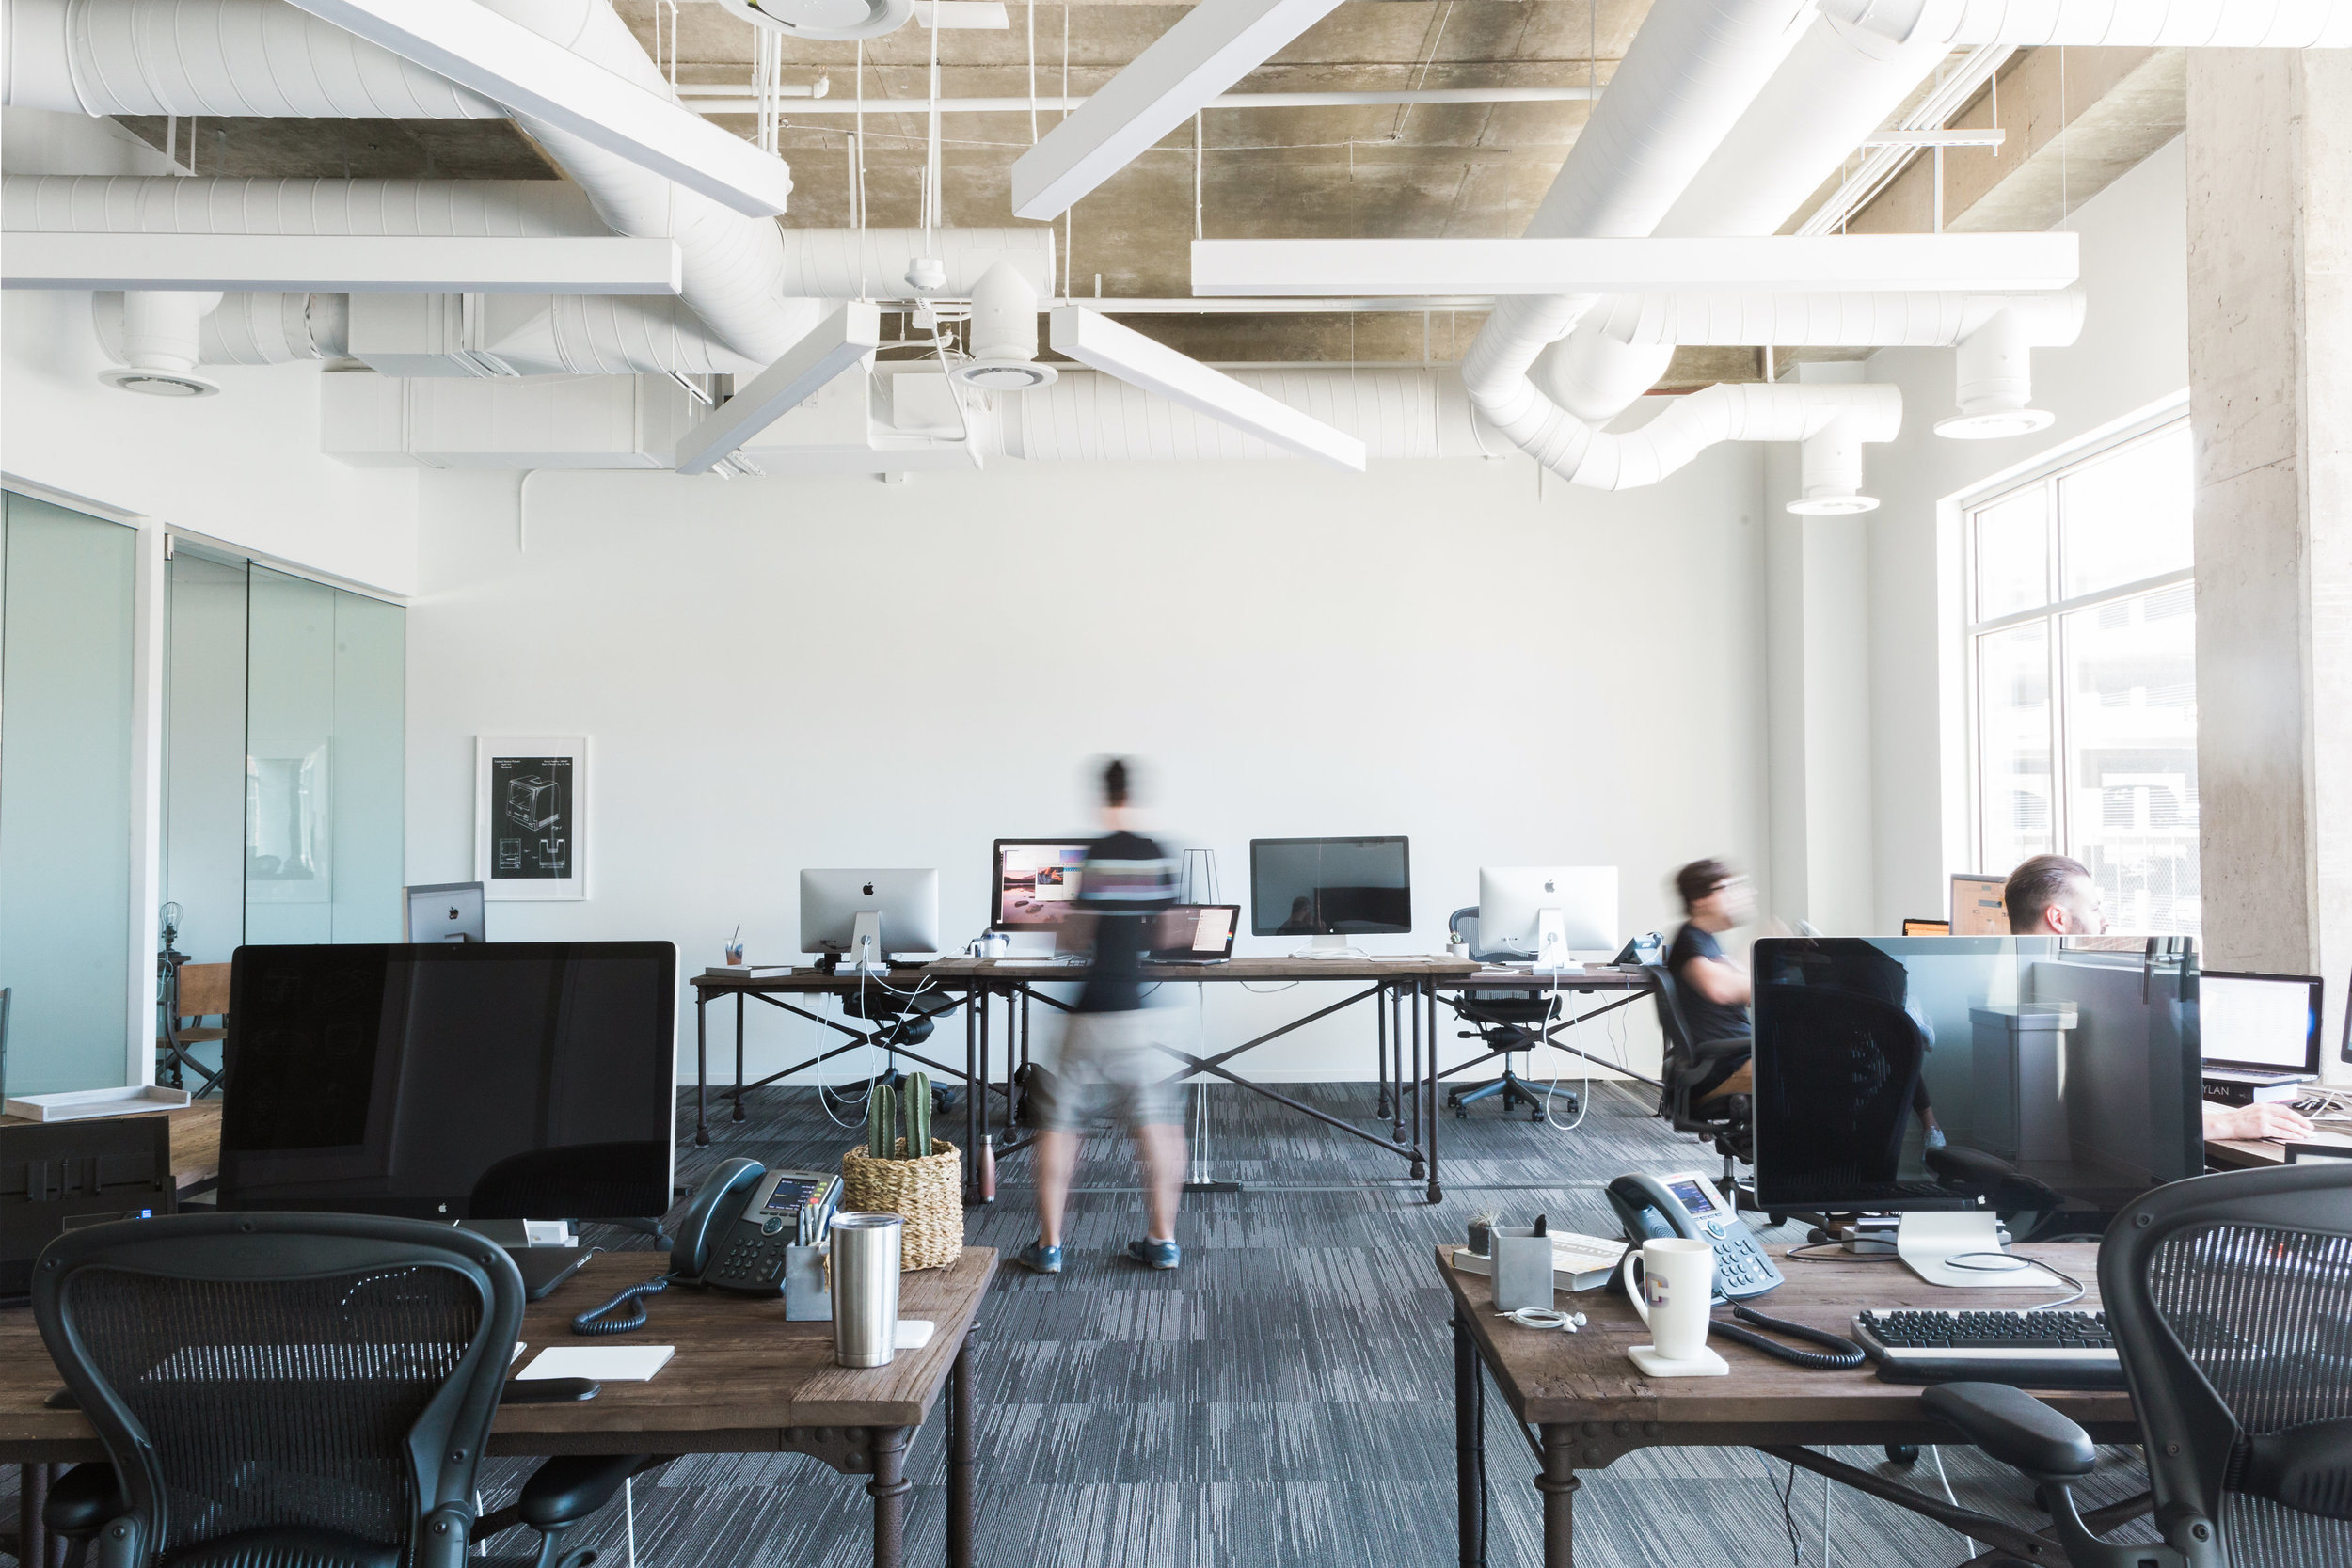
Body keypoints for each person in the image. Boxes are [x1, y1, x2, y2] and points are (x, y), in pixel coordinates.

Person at [2002, 854, 2316, 1144]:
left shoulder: (2013, 979)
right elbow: (2101, 1120)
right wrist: (2226, 1124)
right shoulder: (2046, 992)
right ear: (2058, 918)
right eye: (2095, 908)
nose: (2104, 921)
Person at [1013, 758, 1188, 1275]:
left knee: (1060, 1127)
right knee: (1158, 1126)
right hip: (1137, 1014)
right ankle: (1162, 1240)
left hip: (1089, 1013)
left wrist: (1048, 923)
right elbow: (1167, 935)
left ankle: (1049, 1246)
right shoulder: (1156, 853)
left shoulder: (1091, 856)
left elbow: (1073, 938)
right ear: (1136, 794)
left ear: (1101, 794)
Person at [1666, 860, 1756, 1099]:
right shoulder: (1690, 942)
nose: (1737, 896)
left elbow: (1741, 986)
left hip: (1737, 1057)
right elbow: (1720, 988)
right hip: (1722, 1068)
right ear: (1699, 899)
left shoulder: (1707, 941)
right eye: (1727, 888)